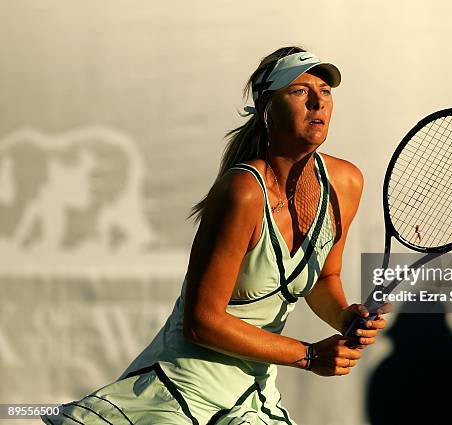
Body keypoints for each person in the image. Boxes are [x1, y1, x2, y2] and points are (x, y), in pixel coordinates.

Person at [43, 46, 389, 425]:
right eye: (299, 91)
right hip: (181, 389)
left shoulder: (345, 182)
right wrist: (307, 356)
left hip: (251, 397)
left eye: (324, 91)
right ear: (265, 108)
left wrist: (343, 316)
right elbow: (201, 320)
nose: (317, 102)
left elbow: (324, 277)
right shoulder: (242, 191)